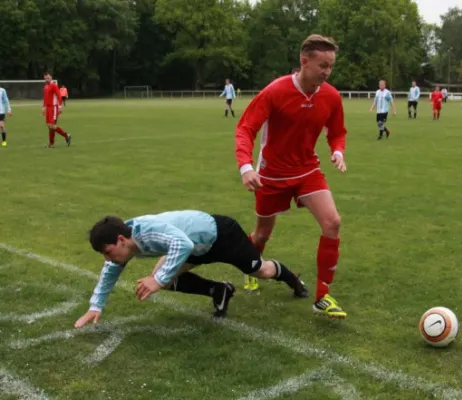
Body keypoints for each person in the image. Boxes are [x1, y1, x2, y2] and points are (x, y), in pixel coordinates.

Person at [235, 34, 348, 319]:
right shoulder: (275, 91)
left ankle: (323, 296)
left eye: (331, 66)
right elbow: (246, 128)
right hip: (271, 175)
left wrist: (338, 151)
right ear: (304, 61)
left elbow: (337, 132)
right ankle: (251, 265)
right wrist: (246, 167)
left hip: (308, 170)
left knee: (332, 222)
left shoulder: (331, 96)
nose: (327, 71)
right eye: (322, 65)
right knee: (262, 234)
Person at [74, 210, 308, 328]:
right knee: (162, 279)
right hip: (196, 248)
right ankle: (219, 291)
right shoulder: (125, 242)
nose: (108, 258)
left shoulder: (146, 232)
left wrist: (158, 279)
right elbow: (109, 272)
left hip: (222, 236)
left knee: (262, 271)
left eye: (107, 252)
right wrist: (96, 306)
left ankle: (294, 281)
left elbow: (182, 243)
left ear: (121, 240)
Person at [43, 73, 71, 148]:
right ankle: (51, 144)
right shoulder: (45, 87)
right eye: (45, 78)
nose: (47, 80)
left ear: (51, 78)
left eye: (48, 78)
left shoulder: (54, 85)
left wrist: (60, 106)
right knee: (49, 126)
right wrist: (44, 107)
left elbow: (59, 95)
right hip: (48, 108)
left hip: (53, 107)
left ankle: (66, 135)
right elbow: (45, 98)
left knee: (52, 125)